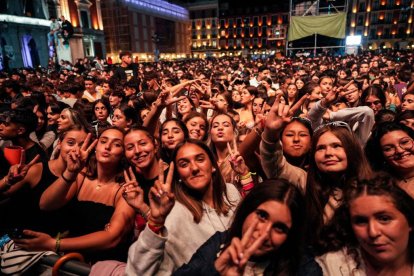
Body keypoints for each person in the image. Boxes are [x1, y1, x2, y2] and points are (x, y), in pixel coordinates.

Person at [17, 127, 135, 263]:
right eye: (103, 141)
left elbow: (112, 238)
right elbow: (46, 204)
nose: (107, 147)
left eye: (117, 144)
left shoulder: (126, 188)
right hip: (68, 259)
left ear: (124, 153)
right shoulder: (81, 176)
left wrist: (54, 243)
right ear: (95, 147)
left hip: (99, 263)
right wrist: (70, 173)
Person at [124, 139, 242, 275]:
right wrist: (155, 222)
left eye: (200, 159)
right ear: (178, 175)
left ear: (213, 166)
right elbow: (136, 272)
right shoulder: (175, 214)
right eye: (184, 164)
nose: (194, 168)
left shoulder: (231, 192)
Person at [174, 179, 309, 275]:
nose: (264, 234)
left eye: (280, 228)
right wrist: (216, 269)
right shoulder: (219, 244)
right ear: (247, 210)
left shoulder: (302, 265)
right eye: (262, 216)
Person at [315, 174, 414, 275]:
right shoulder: (331, 266)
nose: (373, 232)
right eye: (360, 221)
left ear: (410, 221)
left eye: (384, 219)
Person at [0, 126, 88, 235]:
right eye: (70, 143)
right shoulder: (37, 170)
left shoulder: (80, 177)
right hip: (17, 238)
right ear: (60, 143)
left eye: (82, 146)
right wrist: (8, 180)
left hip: (48, 243)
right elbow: (3, 194)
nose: (75, 150)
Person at [365, 122, 414, 198]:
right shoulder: (380, 186)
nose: (399, 151)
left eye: (404, 142)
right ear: (381, 155)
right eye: (388, 149)